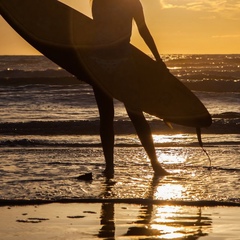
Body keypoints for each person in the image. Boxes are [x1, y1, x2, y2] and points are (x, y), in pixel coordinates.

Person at [89, 0, 168, 177]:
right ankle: (152, 166)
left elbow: (95, 31)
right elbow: (142, 29)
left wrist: (158, 59)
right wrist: (158, 59)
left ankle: (112, 168)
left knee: (118, 116)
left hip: (101, 63)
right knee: (131, 115)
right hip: (113, 63)